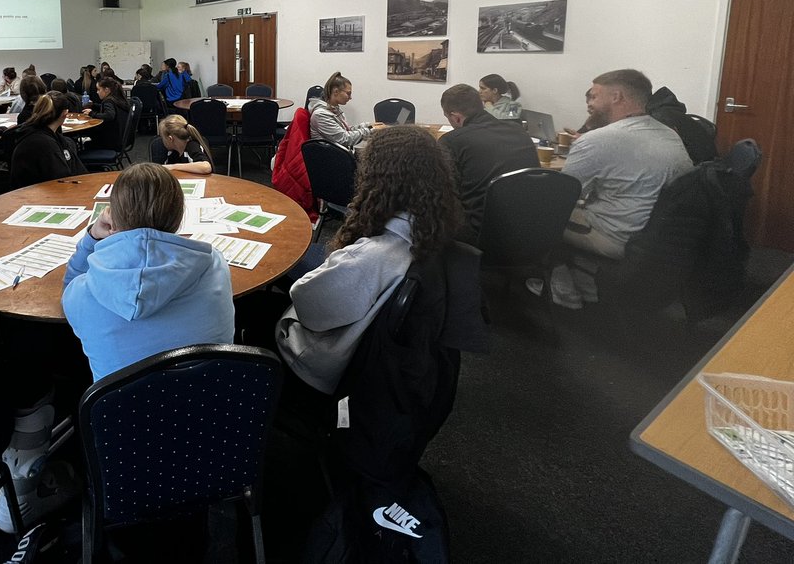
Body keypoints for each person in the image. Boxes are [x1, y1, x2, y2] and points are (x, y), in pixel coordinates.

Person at [275, 126, 461, 395]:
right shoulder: (433, 229)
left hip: (326, 366)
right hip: (386, 359)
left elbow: (308, 306)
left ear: (376, 180)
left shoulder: (371, 256)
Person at [62, 163, 234, 382]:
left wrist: (92, 238)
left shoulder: (82, 293)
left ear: (113, 217)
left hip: (125, 413)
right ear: (179, 215)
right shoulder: (215, 263)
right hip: (215, 404)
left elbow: (68, 290)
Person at [561, 69, 693, 261]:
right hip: (660, 239)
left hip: (615, 238)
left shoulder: (597, 140)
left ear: (616, 97)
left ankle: (561, 286)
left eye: (594, 97)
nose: (590, 103)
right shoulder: (670, 134)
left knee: (535, 214)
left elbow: (560, 199)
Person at [439, 84, 540, 244]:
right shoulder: (519, 131)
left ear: (456, 117)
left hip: (480, 233)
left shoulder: (452, 141)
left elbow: (443, 191)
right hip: (530, 226)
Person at [9, 92, 87, 189]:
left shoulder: (47, 135)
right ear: (65, 114)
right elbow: (62, 179)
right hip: (38, 197)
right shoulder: (44, 143)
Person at [307, 71, 382, 150]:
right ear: (336, 92)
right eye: (348, 93)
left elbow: (347, 130)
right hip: (332, 158)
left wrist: (369, 125)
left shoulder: (334, 109)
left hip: (340, 152)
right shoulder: (320, 115)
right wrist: (371, 130)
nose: (350, 97)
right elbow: (345, 139)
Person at [82, 76, 130, 151]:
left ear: (106, 90)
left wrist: (91, 113)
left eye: (98, 89)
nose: (97, 92)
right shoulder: (117, 98)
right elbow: (107, 108)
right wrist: (93, 105)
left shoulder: (108, 101)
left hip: (111, 142)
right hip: (122, 139)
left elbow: (109, 115)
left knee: (86, 141)